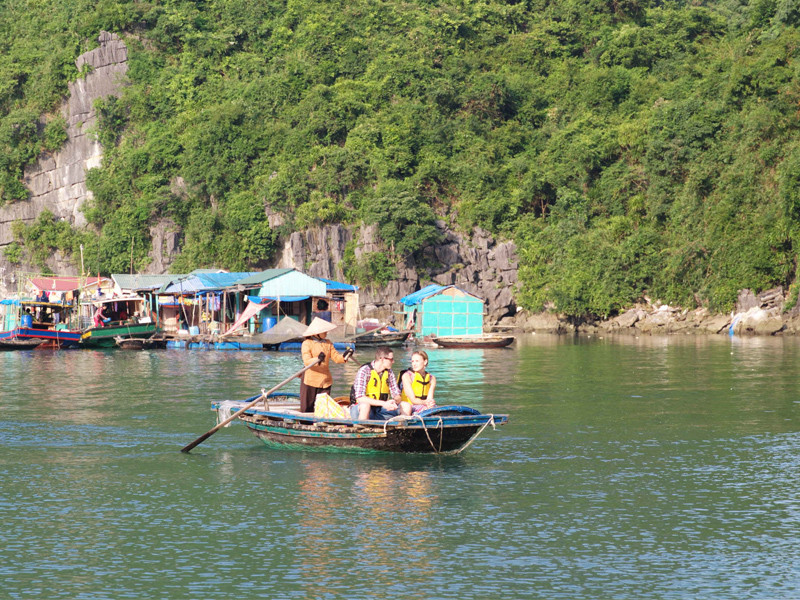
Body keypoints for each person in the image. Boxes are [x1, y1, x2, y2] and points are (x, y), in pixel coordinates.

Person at [300, 317, 349, 413]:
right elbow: (307, 361)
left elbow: (336, 358)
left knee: (323, 407)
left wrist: (345, 356)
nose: (326, 333)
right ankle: (305, 424)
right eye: (324, 331)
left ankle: (321, 423)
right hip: (310, 379)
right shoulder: (307, 343)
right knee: (307, 407)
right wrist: (317, 359)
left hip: (325, 380)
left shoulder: (328, 343)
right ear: (316, 333)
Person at [350, 346, 402, 420]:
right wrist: (384, 403)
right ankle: (362, 429)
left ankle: (402, 428)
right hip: (361, 409)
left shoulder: (389, 372)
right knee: (365, 406)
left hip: (380, 410)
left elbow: (396, 394)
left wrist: (395, 401)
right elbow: (360, 398)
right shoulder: (364, 371)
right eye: (391, 359)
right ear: (382, 359)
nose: (393, 361)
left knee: (405, 405)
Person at [398, 350, 437, 415]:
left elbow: (430, 399)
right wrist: (426, 403)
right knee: (425, 410)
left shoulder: (432, 378)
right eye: (412, 361)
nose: (414, 364)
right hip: (409, 406)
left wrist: (430, 404)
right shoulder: (407, 376)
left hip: (424, 405)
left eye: (417, 361)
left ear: (425, 362)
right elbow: (413, 400)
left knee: (434, 409)